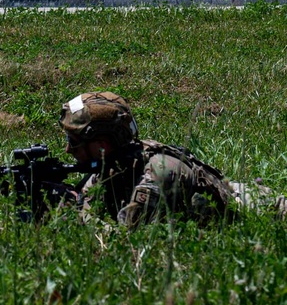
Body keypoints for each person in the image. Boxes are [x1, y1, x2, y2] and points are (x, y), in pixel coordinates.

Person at [59, 91, 287, 227]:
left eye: (74, 141)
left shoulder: (158, 172)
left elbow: (127, 241)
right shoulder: (112, 165)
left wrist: (78, 214)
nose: (68, 149)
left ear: (101, 145)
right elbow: (87, 201)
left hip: (261, 210)